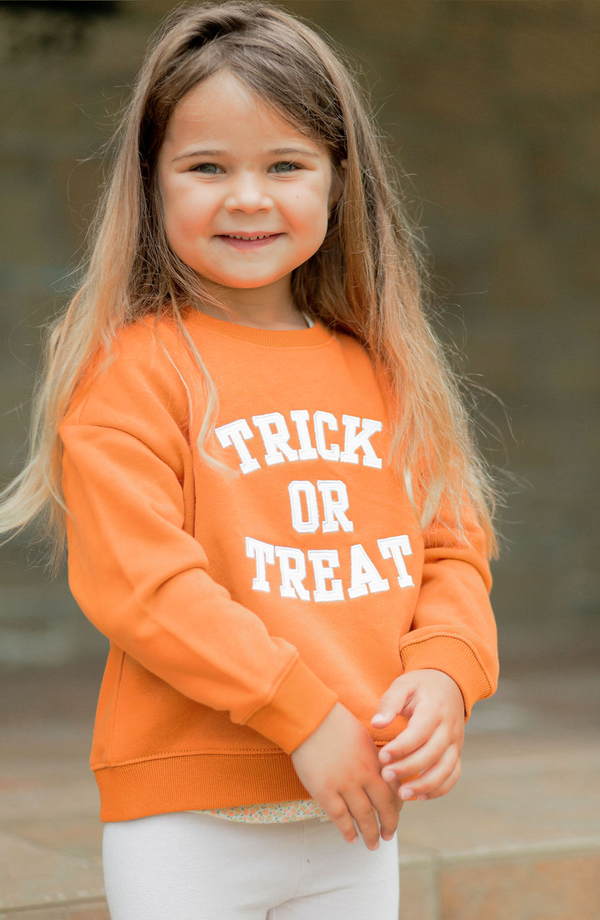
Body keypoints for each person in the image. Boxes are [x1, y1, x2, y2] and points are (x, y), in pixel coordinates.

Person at [0, 2, 500, 917]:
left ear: (338, 180)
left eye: (285, 164)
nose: (247, 196)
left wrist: (447, 670)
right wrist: (301, 714)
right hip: (189, 819)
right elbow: (142, 582)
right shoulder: (131, 366)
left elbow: (453, 547)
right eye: (205, 167)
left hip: (355, 813)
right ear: (150, 182)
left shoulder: (381, 367)